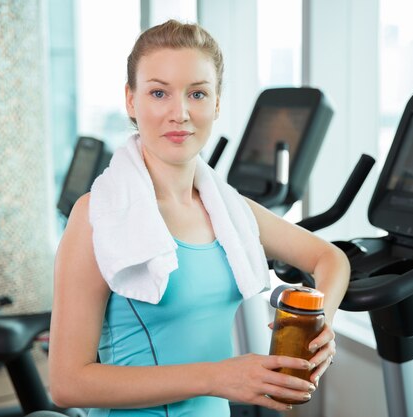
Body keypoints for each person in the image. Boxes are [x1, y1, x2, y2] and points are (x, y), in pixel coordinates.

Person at [48, 19, 350, 416]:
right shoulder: (99, 214)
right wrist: (218, 378)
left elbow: (330, 259)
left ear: (217, 102)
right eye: (159, 93)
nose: (181, 113)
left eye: (197, 94)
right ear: (131, 101)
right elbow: (67, 384)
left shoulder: (228, 209)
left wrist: (320, 324)